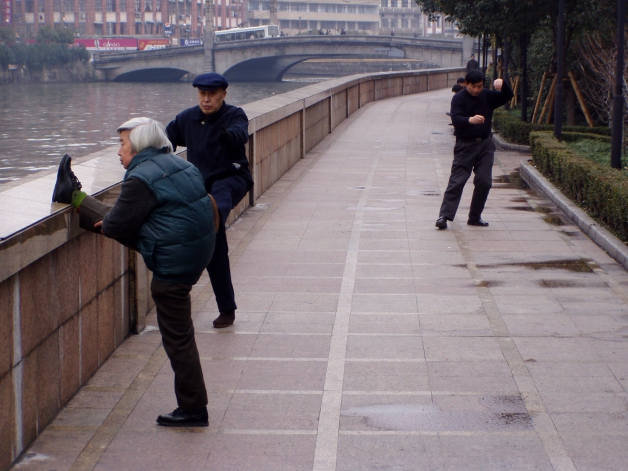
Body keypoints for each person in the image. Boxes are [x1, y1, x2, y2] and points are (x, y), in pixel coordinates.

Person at [51, 118, 216, 427]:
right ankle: (73, 195)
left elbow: (115, 226)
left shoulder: (140, 178)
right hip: (195, 250)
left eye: (123, 145)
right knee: (120, 220)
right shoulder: (179, 164)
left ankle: (194, 409)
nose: (118, 151)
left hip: (173, 264)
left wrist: (110, 222)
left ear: (139, 148)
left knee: (179, 340)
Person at [166, 73, 253, 329]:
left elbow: (240, 133)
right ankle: (227, 309)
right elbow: (165, 138)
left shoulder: (235, 115)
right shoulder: (188, 118)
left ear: (223, 94)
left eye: (212, 95)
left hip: (232, 178)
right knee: (215, 249)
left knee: (220, 193)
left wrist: (228, 136)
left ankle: (213, 215)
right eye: (202, 94)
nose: (206, 99)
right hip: (201, 188)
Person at [435, 69, 513, 230]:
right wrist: (470, 120)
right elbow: (456, 118)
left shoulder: (487, 95)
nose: (476, 90)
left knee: (484, 181)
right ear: (466, 84)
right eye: (473, 86)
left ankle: (475, 217)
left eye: (479, 86)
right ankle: (444, 215)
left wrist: (503, 84)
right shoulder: (459, 98)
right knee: (457, 180)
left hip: (485, 145)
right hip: (465, 145)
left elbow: (507, 96)